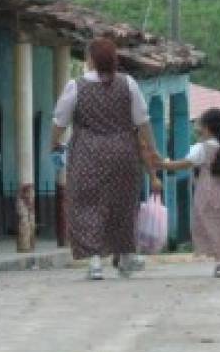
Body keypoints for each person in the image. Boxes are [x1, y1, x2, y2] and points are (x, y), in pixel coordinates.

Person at [51, 37, 161, 281]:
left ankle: (94, 262)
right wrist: (152, 150)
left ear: (90, 59)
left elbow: (59, 121)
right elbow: (143, 121)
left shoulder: (75, 86)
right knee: (122, 206)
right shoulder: (128, 83)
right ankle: (124, 256)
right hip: (124, 153)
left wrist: (54, 145)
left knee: (86, 205)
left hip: (87, 153)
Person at [158, 107, 220, 278]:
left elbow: (184, 164)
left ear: (206, 128)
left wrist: (164, 164)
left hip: (208, 195)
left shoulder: (200, 148)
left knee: (214, 227)